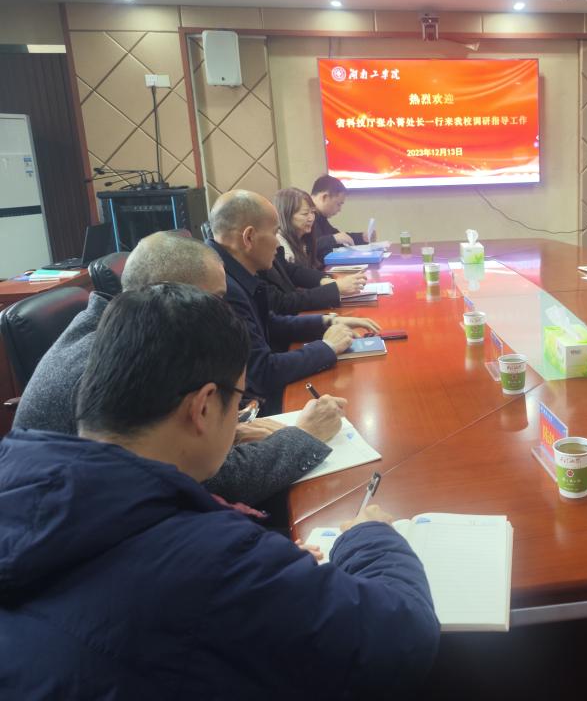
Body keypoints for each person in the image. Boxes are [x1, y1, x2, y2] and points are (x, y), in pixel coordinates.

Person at [0, 283, 440, 698]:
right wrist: (368, 538)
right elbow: (404, 639)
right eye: (239, 399)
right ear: (205, 405)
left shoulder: (21, 484)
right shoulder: (216, 563)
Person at [13, 231, 345, 507]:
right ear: (169, 295)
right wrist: (304, 436)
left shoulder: (128, 330)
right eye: (215, 299)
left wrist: (234, 430)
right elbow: (205, 478)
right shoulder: (117, 361)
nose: (225, 312)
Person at [208, 190, 380, 414]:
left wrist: (328, 321)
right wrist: (327, 347)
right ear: (249, 238)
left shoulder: (232, 269)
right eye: (274, 233)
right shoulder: (220, 286)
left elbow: (268, 323)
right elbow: (261, 373)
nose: (278, 244)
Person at [262, 186, 367, 315]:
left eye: (312, 212)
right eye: (305, 214)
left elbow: (293, 271)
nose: (311, 218)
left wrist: (329, 281)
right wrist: (334, 287)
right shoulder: (280, 247)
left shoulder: (304, 239)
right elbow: (286, 301)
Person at [310, 174, 375, 264]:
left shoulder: (320, 216)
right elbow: (308, 247)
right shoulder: (309, 216)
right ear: (325, 197)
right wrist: (333, 239)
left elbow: (338, 236)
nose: (339, 209)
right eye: (338, 204)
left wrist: (362, 237)